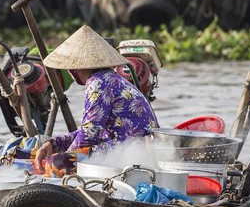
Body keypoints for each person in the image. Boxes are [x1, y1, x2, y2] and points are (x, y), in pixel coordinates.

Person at [34, 25, 159, 173]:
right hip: (133, 147)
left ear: (75, 68)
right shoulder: (110, 78)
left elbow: (89, 135)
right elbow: (89, 129)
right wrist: (54, 144)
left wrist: (64, 155)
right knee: (49, 154)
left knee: (56, 163)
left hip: (130, 153)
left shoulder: (98, 83)